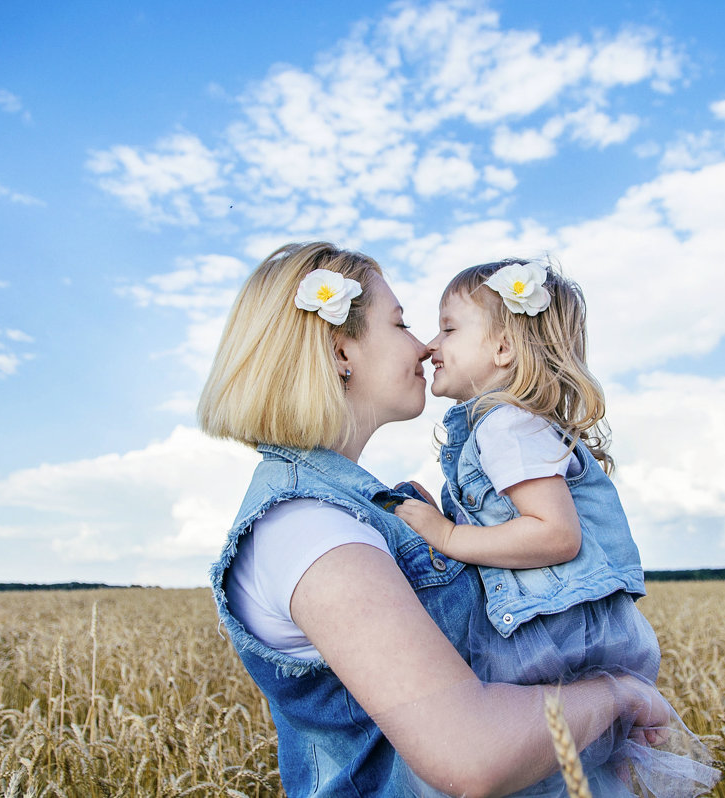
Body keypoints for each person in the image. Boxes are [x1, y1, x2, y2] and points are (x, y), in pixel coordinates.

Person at [199, 242, 699, 798]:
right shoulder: (309, 529)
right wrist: (618, 694)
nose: (424, 345)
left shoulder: (352, 511)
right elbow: (470, 755)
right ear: (342, 352)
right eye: (402, 322)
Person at [395, 258, 719, 796]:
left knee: (514, 769)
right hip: (562, 631)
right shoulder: (503, 425)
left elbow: (554, 534)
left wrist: (448, 537)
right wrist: (448, 518)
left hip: (547, 639)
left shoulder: (506, 425)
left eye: (449, 328)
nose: (430, 346)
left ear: (503, 349)